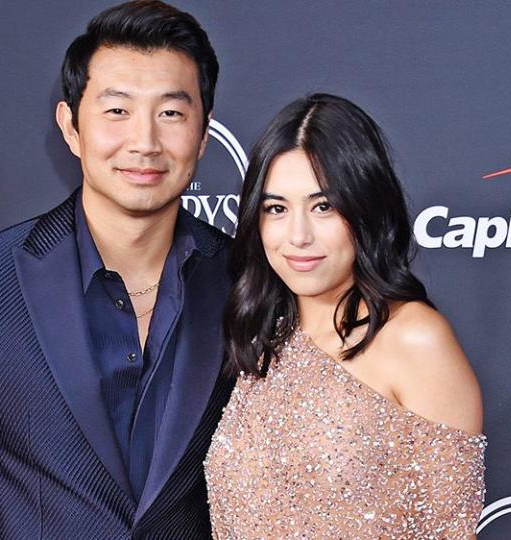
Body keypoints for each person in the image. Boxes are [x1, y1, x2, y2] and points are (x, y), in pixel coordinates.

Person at [0, 2, 234, 538]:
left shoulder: (247, 280)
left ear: (203, 133)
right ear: (71, 127)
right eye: (117, 111)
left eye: (171, 113)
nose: (144, 142)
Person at [205, 94, 486, 539]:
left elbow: (453, 531)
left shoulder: (415, 339)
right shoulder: (267, 337)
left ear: (365, 210)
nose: (298, 236)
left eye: (323, 207)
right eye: (277, 209)